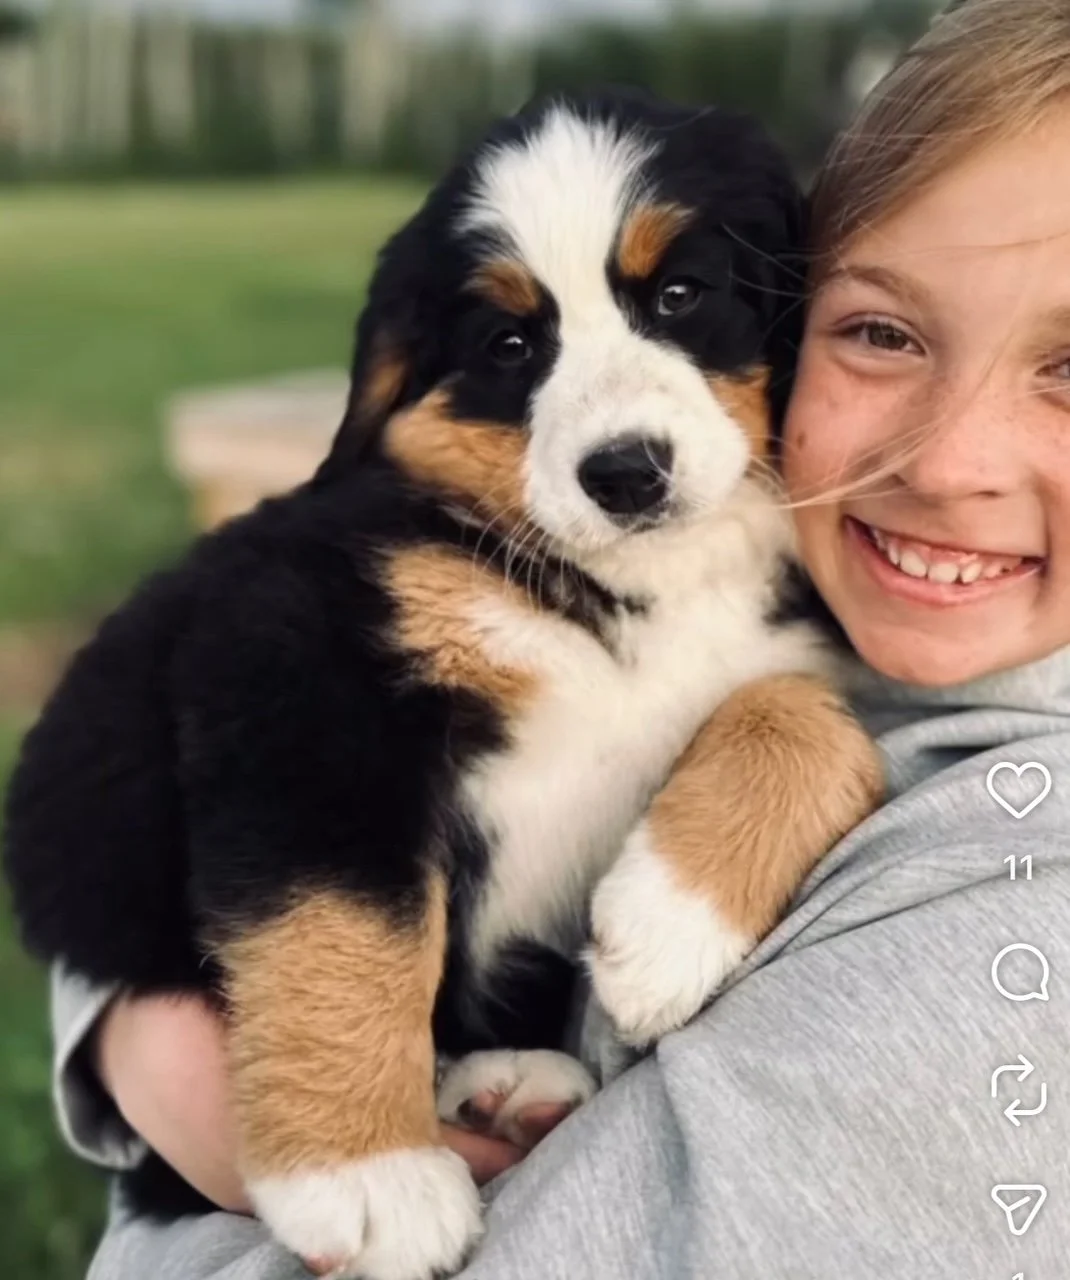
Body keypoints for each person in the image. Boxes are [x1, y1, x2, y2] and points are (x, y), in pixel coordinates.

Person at [50, 0, 1070, 1274]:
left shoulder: (1006, 904)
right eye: (880, 332)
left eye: (682, 293)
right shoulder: (826, 575)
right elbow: (237, 753)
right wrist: (167, 1033)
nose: (946, 458)